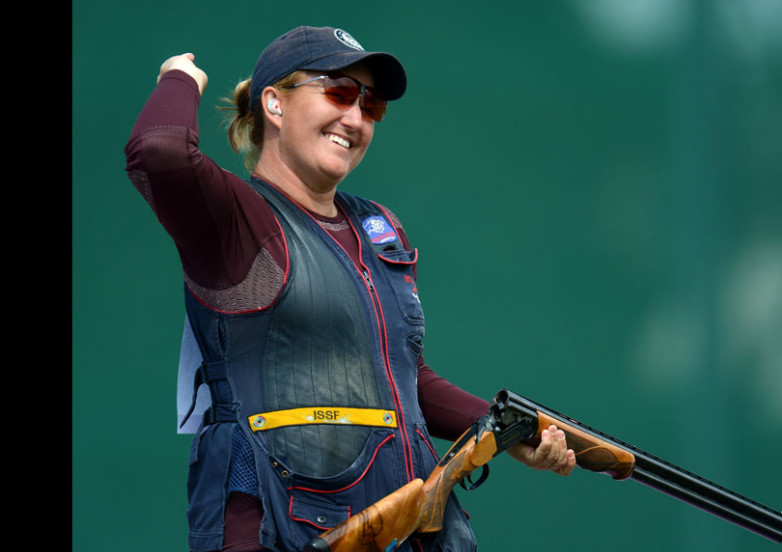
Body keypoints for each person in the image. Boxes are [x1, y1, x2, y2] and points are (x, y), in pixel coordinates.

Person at [124, 25, 575, 552]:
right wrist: (179, 77)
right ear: (273, 103)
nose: (355, 118)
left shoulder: (378, 227)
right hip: (280, 530)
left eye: (371, 104)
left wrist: (505, 431)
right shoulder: (237, 220)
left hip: (399, 534)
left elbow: (405, 383)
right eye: (338, 92)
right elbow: (159, 150)